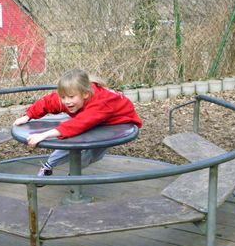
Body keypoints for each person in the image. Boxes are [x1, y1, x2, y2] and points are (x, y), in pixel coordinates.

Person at [13, 68, 143, 176]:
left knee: (94, 152)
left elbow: (77, 125)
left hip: (117, 122)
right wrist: (28, 116)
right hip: (93, 116)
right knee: (70, 139)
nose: (66, 101)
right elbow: (47, 102)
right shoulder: (72, 98)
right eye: (63, 97)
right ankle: (49, 166)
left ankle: (74, 174)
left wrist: (43, 135)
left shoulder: (101, 103)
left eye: (70, 97)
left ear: (85, 94)